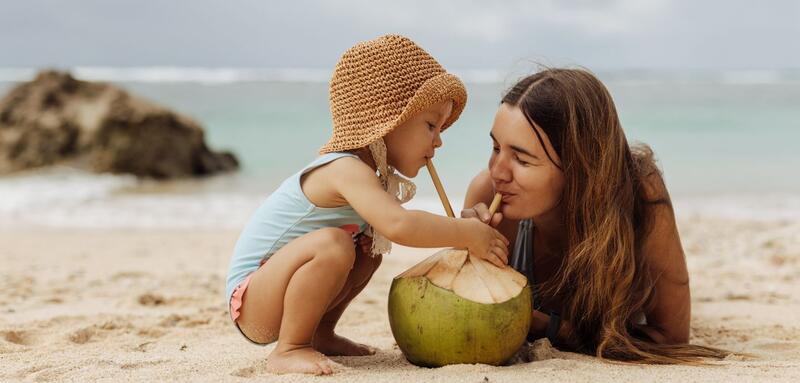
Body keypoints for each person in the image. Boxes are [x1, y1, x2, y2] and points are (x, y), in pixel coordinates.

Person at [225, 34, 509, 375]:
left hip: (281, 292)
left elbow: (390, 229)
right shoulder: (344, 168)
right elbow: (400, 225)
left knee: (368, 247)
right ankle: (290, 348)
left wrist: (465, 229)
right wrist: (463, 233)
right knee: (333, 245)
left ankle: (320, 332)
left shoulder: (370, 175)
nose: (439, 140)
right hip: (254, 299)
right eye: (431, 125)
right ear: (385, 120)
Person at [461, 68, 728, 363]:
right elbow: (462, 321)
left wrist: (550, 327)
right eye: (496, 147)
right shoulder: (487, 195)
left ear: (579, 167)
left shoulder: (639, 195)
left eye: (521, 159)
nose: (497, 171)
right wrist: (468, 260)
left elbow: (672, 338)